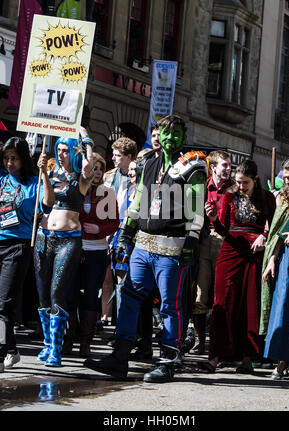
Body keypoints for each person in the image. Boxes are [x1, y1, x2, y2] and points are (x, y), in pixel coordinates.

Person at [84, 115, 208, 383]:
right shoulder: (149, 163)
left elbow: (197, 206)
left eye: (176, 133)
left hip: (173, 247)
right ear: (158, 136)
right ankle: (119, 357)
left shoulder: (193, 166)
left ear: (183, 137)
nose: (170, 138)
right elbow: (139, 199)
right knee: (129, 297)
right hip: (143, 244)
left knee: (169, 306)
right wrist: (126, 234)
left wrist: (192, 240)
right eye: (165, 132)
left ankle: (168, 362)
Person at [205, 159, 276, 374]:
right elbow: (224, 229)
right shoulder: (230, 196)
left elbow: (274, 226)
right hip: (231, 251)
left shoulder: (267, 198)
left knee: (249, 305)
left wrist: (263, 236)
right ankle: (215, 357)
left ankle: (247, 358)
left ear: (255, 180)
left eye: (245, 182)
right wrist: (214, 218)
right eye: (238, 182)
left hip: (255, 253)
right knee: (223, 301)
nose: (241, 186)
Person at [33, 127, 94, 367]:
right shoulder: (50, 173)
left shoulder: (81, 176)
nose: (61, 154)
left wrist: (85, 138)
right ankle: (48, 345)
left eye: (66, 150)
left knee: (57, 291)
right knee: (42, 296)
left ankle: (57, 349)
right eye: (58, 150)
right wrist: (44, 174)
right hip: (43, 237)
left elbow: (89, 164)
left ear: (74, 152)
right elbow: (47, 203)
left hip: (68, 240)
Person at [0, 137, 54, 372]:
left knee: (4, 303)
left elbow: (48, 203)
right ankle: (11, 348)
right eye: (6, 158)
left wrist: (44, 173)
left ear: (23, 159)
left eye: (14, 158)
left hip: (18, 246)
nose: (10, 163)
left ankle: (1, 352)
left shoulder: (35, 182)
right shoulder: (1, 180)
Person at [62, 152, 119, 357]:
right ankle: (68, 339)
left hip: (96, 250)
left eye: (101, 168)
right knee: (70, 295)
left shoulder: (108, 192)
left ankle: (85, 343)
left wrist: (100, 231)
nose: (97, 171)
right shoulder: (74, 188)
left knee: (91, 296)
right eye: (93, 167)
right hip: (73, 247)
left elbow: (115, 223)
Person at [261, 154, 289, 381]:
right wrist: (272, 259)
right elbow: (278, 232)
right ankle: (281, 361)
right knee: (283, 310)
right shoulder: (286, 199)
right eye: (285, 178)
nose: (286, 182)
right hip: (285, 260)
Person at [190, 150, 232, 355]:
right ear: (213, 167)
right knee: (200, 293)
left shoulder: (234, 189)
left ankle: (219, 344)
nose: (228, 169)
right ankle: (199, 341)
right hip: (203, 240)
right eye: (224, 165)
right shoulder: (203, 187)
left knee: (221, 296)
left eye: (229, 165)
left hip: (225, 242)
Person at [100, 138, 137, 334]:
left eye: (117, 155)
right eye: (113, 155)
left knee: (121, 276)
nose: (113, 159)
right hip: (108, 228)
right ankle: (104, 316)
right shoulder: (109, 176)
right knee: (106, 275)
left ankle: (121, 321)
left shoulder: (136, 178)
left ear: (129, 156)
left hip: (125, 230)